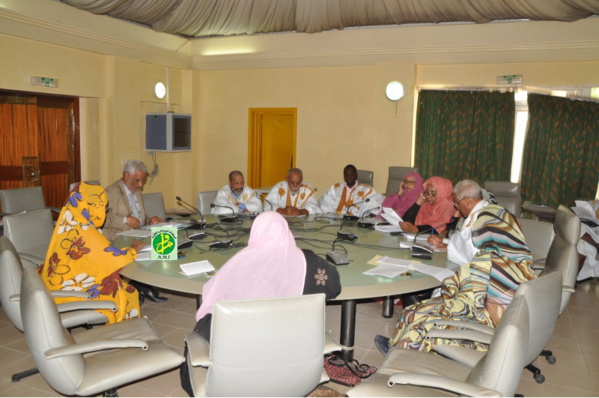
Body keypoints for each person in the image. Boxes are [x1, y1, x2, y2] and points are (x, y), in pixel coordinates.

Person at [180, 211, 342, 395]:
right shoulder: (308, 263)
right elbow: (334, 286)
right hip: (292, 369)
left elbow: (212, 296)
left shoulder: (238, 263)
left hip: (236, 376)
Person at [374, 204, 536, 355]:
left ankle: (402, 354)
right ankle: (397, 346)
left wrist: (439, 297)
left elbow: (458, 296)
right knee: (424, 308)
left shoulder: (486, 261)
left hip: (484, 327)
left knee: (416, 313)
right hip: (504, 324)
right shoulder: (525, 260)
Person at [38, 182, 144, 324]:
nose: (104, 212)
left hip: (55, 284)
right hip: (69, 292)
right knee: (129, 291)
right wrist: (134, 249)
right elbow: (115, 260)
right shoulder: (85, 231)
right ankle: (123, 331)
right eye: (103, 207)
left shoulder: (68, 222)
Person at [103, 159, 167, 302]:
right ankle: (138, 287)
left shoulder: (135, 189)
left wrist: (150, 220)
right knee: (145, 251)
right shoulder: (110, 192)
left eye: (142, 181)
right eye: (137, 181)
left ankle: (144, 286)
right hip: (116, 238)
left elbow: (138, 216)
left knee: (162, 246)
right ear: (127, 176)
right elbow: (101, 219)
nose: (140, 185)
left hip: (135, 234)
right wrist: (125, 220)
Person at [428, 179, 490, 265]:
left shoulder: (481, 219)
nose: (457, 207)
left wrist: (449, 248)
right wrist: (444, 241)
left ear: (467, 201)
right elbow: (465, 241)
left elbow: (474, 255)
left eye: (457, 203)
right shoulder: (483, 209)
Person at [576, 199, 599, 281]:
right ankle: (596, 245)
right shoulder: (595, 202)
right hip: (591, 229)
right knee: (575, 224)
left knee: (582, 243)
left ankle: (572, 278)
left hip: (596, 232)